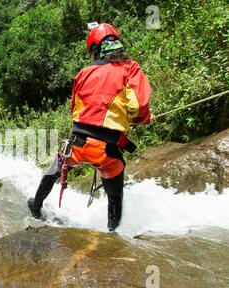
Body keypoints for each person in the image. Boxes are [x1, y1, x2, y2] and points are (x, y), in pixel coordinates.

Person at [28, 22, 153, 232]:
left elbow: (75, 110)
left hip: (77, 144)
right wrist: (144, 118)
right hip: (108, 152)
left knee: (54, 169)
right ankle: (113, 231)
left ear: (95, 51)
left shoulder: (83, 73)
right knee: (115, 195)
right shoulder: (130, 68)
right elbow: (138, 105)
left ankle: (36, 205)